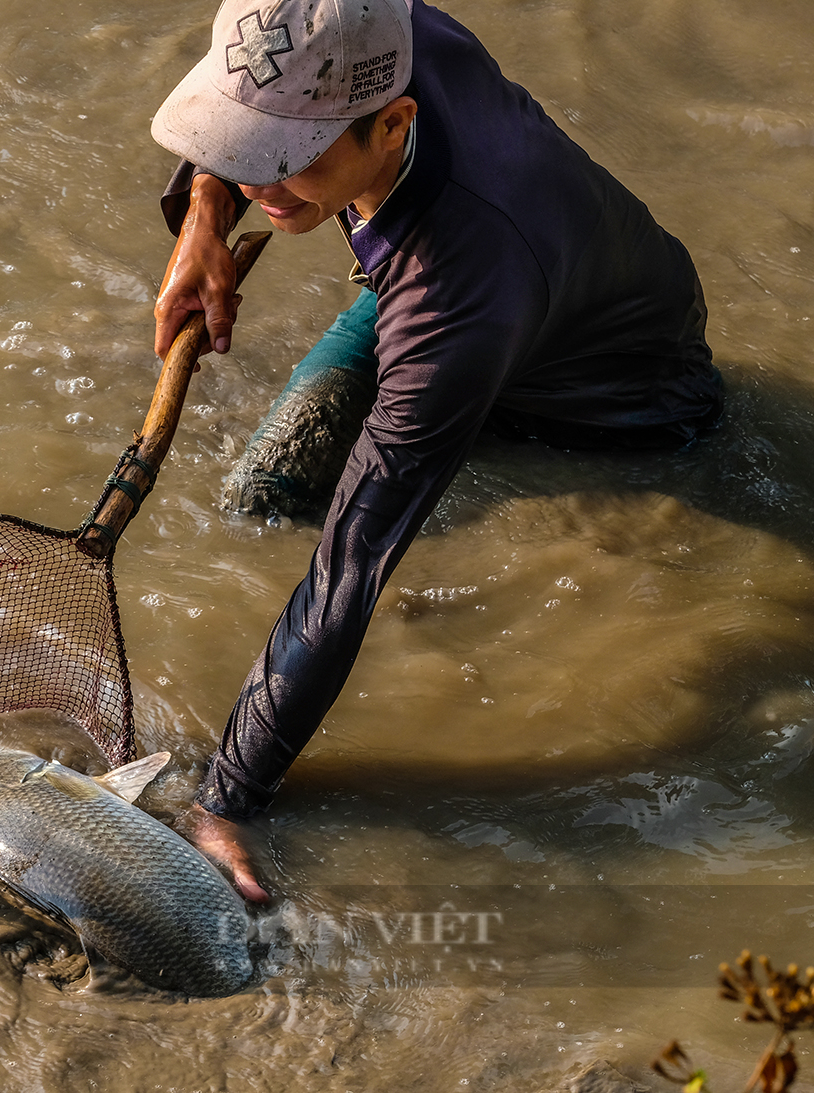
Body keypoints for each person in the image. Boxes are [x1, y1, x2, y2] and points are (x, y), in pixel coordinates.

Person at [148, 0, 724, 901]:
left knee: (364, 538)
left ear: (394, 124)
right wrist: (201, 222)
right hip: (494, 277)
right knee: (259, 498)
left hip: (608, 403)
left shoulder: (456, 303)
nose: (261, 177)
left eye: (288, 156)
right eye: (244, 145)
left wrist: (226, 800)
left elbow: (350, 565)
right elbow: (245, 100)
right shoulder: (365, 27)